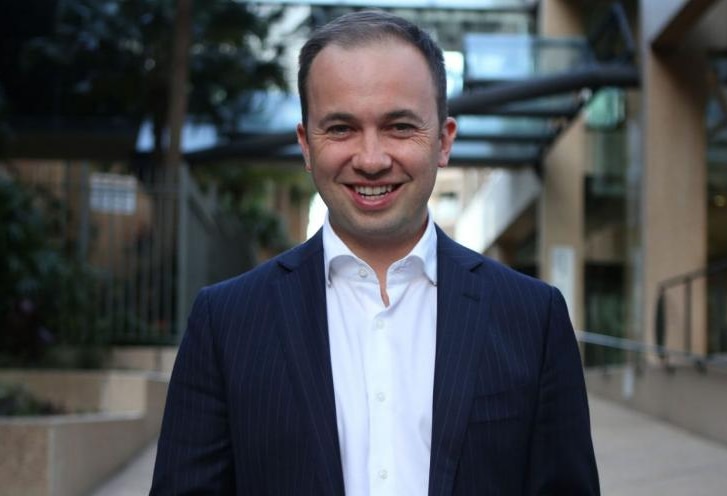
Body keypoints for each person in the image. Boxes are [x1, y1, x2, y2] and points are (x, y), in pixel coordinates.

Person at [150, 10, 600, 496]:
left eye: (400, 127)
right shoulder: (225, 323)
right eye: (340, 129)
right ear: (305, 144)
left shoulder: (534, 318)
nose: (370, 160)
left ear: (444, 141)